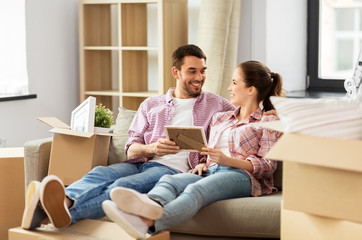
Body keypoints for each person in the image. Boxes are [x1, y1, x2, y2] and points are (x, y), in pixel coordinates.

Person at [21, 44, 236, 230]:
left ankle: (56, 213)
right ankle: (64, 202)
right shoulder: (151, 105)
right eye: (192, 71)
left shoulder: (217, 104)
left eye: (203, 71)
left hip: (170, 171)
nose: (199, 78)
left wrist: (268, 111)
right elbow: (131, 148)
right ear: (176, 72)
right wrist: (153, 148)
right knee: (99, 173)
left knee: (121, 187)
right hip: (139, 162)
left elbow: (243, 116)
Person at [101, 60, 285, 239]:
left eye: (235, 83)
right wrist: (204, 163)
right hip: (211, 171)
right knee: (169, 180)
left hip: (243, 176)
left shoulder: (267, 122)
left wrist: (228, 161)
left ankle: (147, 224)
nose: (229, 88)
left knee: (196, 190)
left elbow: (268, 165)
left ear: (251, 89)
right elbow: (210, 152)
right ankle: (148, 205)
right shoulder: (221, 118)